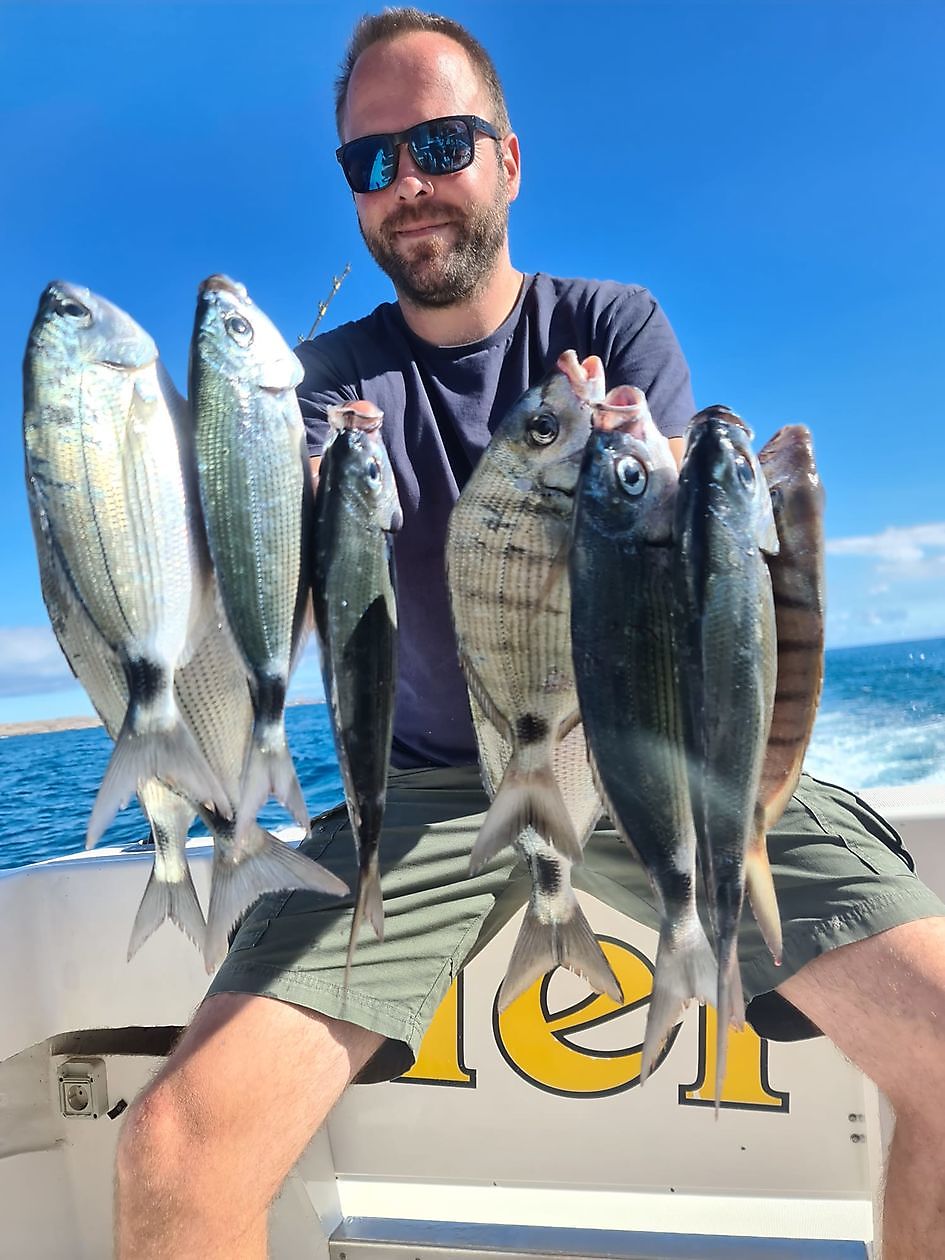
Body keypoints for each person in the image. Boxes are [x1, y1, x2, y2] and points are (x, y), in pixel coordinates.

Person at [115, 10, 945, 1258]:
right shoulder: (321, 383)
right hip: (419, 796)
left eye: (441, 143)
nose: (408, 183)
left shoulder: (612, 325)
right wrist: (226, 505)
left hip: (645, 759)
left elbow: (682, 572)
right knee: (173, 1150)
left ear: (508, 159)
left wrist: (659, 478)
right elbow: (270, 609)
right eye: (371, 160)